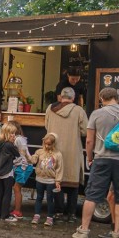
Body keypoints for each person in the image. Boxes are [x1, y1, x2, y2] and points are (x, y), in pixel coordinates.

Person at [72, 87, 119, 238]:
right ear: (117, 97)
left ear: (101, 98)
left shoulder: (97, 114)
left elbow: (89, 140)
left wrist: (89, 158)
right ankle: (118, 234)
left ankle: (83, 230)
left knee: (92, 195)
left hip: (102, 159)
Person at [44, 87, 88, 222]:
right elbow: (85, 131)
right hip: (73, 149)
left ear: (60, 97)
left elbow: (46, 126)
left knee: (56, 180)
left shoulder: (50, 109)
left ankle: (58, 211)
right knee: (72, 182)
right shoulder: (79, 110)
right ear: (73, 98)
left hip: (54, 149)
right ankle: (71, 214)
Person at [29, 132, 63, 226]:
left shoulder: (58, 154)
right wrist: (29, 156)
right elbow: (33, 161)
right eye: (45, 144)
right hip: (40, 179)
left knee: (50, 199)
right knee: (39, 197)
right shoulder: (39, 152)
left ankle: (50, 217)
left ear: (54, 144)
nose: (47, 146)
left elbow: (59, 168)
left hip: (50, 180)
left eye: (49, 144)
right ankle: (36, 216)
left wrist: (58, 181)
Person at [0, 123, 20, 221]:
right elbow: (18, 155)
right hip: (8, 172)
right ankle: (5, 215)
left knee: (0, 193)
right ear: (8, 134)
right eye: (13, 133)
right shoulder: (9, 145)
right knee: (7, 194)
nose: (14, 135)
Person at [8, 120, 32, 219]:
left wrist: (21, 167)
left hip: (23, 166)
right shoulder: (21, 139)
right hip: (24, 166)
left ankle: (18, 211)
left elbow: (22, 155)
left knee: (17, 188)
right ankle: (16, 210)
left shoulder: (17, 140)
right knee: (16, 188)